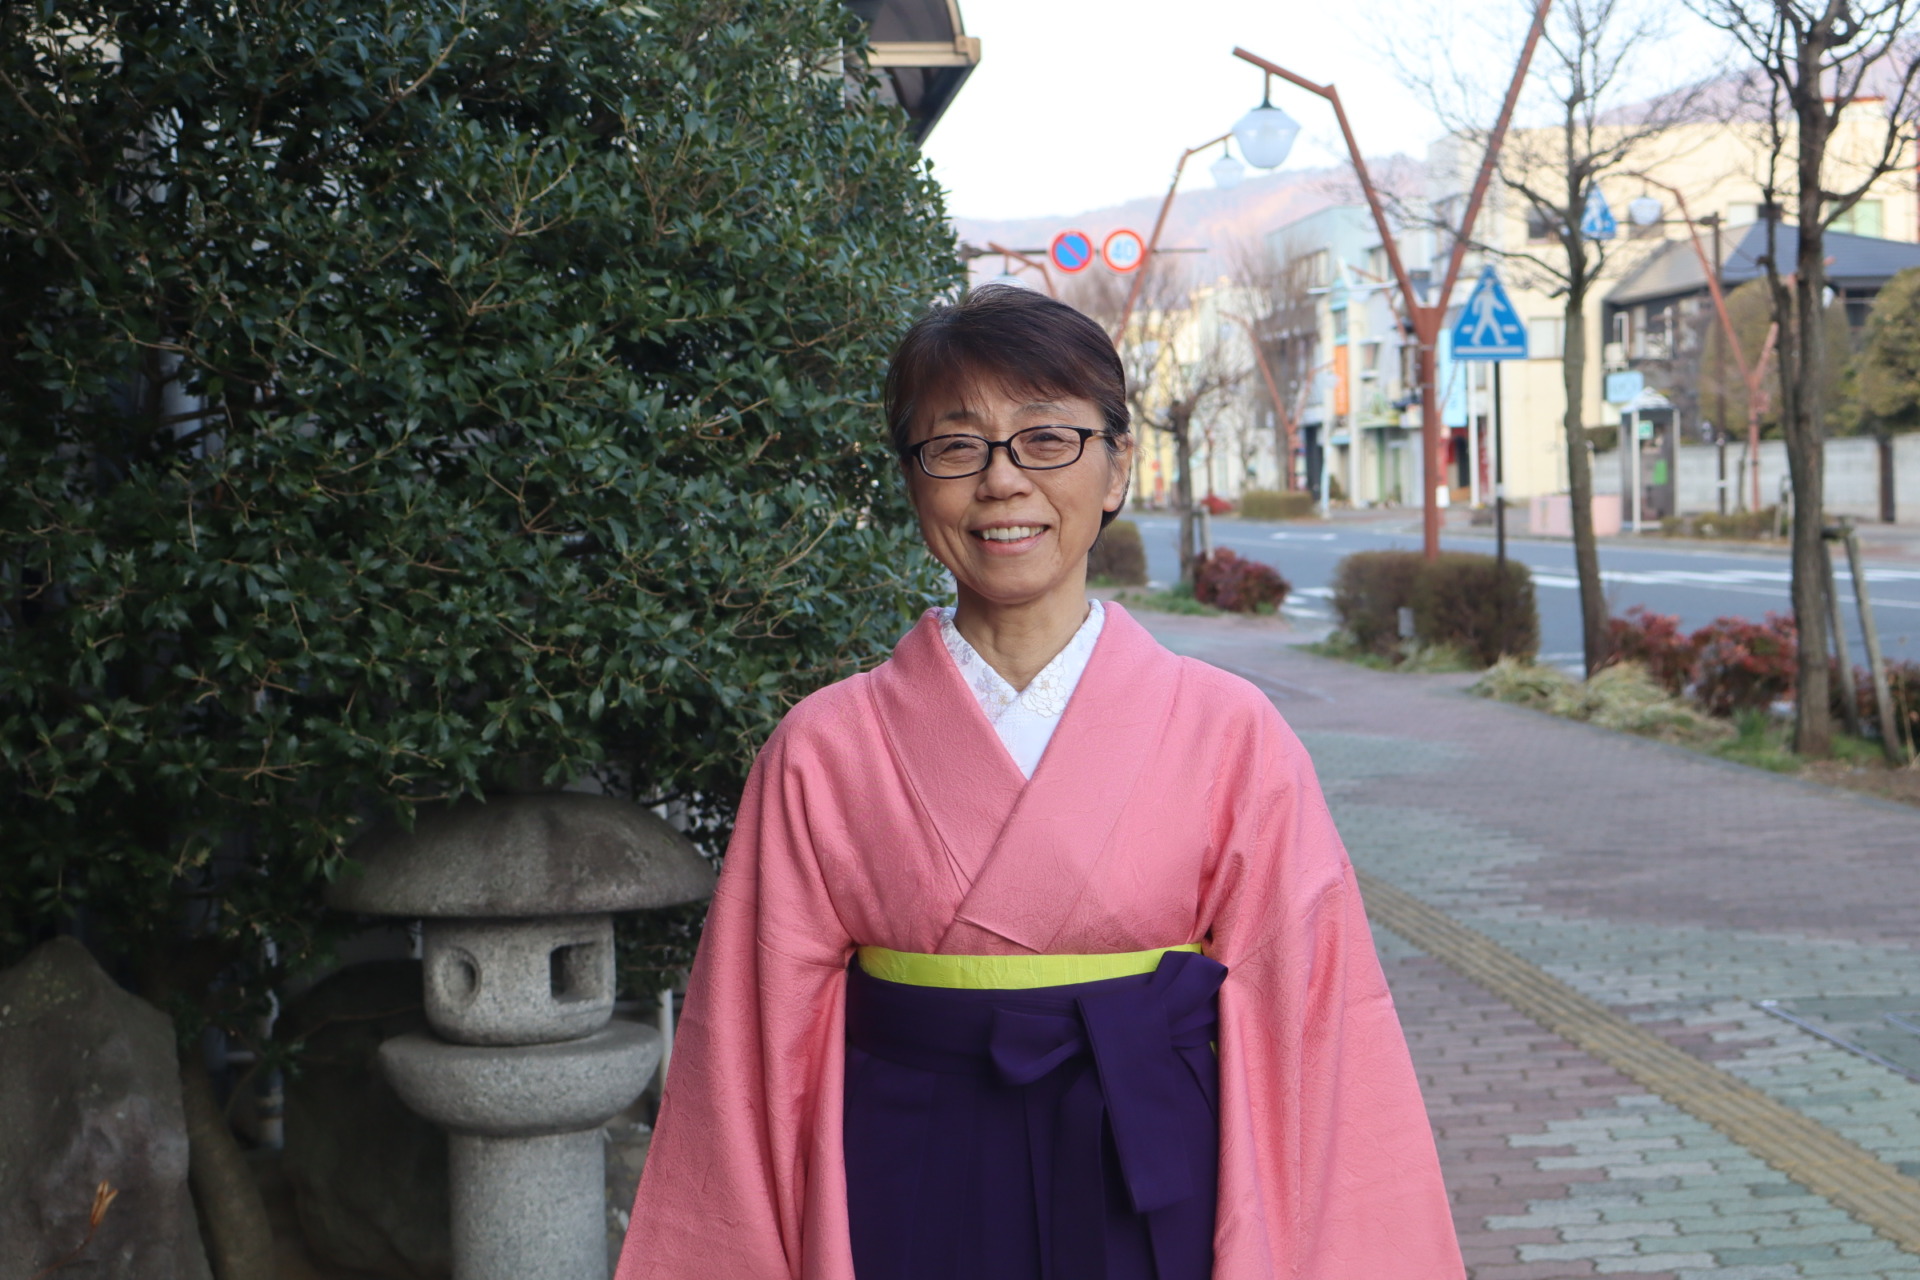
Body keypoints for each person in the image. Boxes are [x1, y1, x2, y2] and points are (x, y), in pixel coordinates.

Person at [615, 285, 1462, 1279]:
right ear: (911, 480)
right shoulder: (823, 748)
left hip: (1157, 1172)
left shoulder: (1233, 733)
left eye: (1048, 439)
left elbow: (1314, 1026)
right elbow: (749, 1053)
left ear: (1117, 466)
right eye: (956, 445)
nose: (1003, 480)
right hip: (905, 1177)